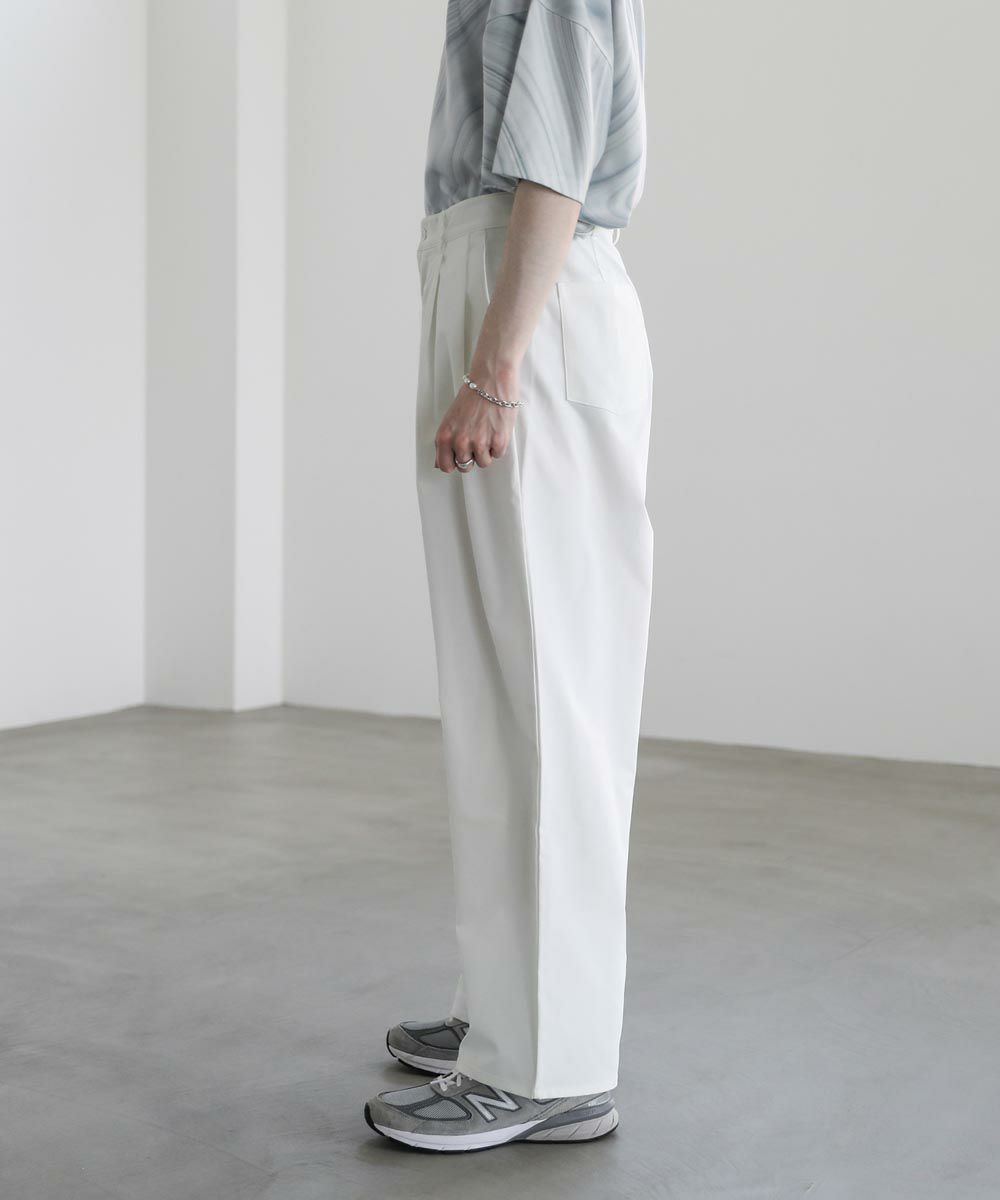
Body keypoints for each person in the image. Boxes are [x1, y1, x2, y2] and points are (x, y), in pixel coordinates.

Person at [364, 0, 653, 1152]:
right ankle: (509, 1008)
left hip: (529, 310)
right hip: (492, 288)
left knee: (548, 702)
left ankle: (549, 1066)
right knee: (502, 699)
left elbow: (553, 173)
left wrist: (494, 369)